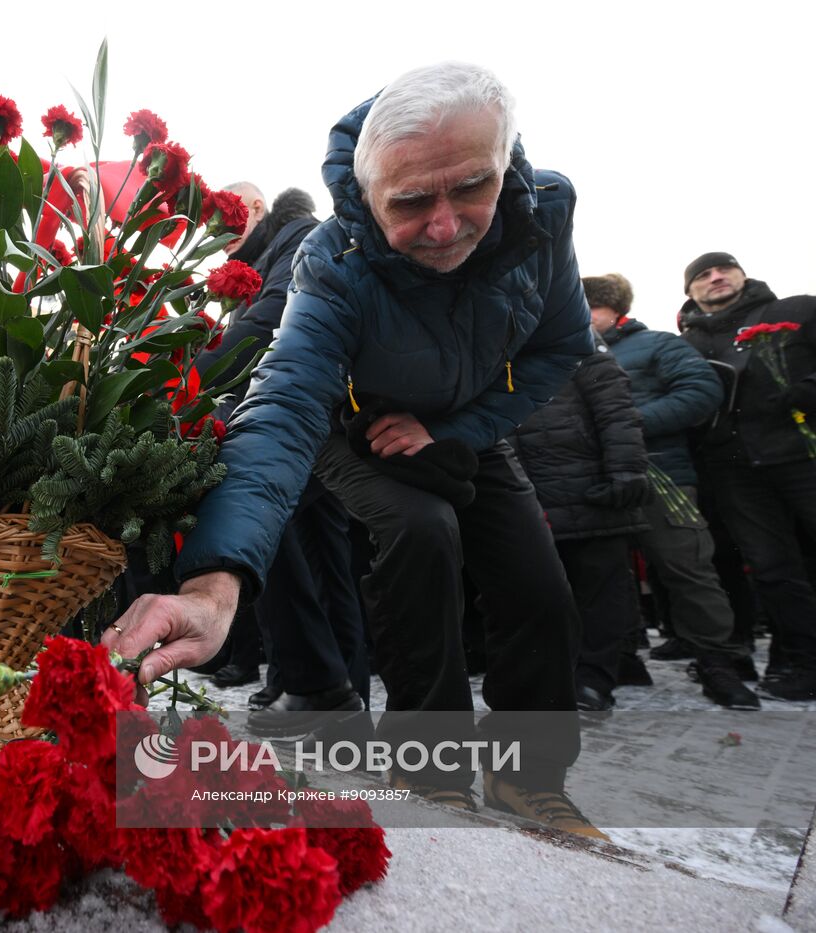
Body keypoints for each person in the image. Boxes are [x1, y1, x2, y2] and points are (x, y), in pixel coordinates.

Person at [106, 62, 603, 836]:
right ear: (366, 196)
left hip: (470, 428)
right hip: (356, 428)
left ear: (506, 164)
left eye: (472, 186)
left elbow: (561, 346)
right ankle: (427, 764)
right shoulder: (332, 262)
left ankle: (528, 778)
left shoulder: (544, 215)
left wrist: (455, 431)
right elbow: (284, 400)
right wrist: (215, 580)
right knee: (419, 531)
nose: (445, 226)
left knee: (539, 588)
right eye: (410, 202)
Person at [195, 184, 370, 718]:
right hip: (314, 415)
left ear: (251, 210)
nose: (214, 233)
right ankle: (323, 685)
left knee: (262, 524)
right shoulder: (273, 248)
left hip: (309, 417)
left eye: (222, 217)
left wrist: (182, 374)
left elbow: (267, 324)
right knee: (316, 555)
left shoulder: (296, 239)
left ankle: (320, 682)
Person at [587, 274, 761, 708]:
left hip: (660, 472)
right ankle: (620, 660)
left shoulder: (658, 344)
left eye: (584, 306)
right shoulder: (567, 354)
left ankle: (717, 662)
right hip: (592, 480)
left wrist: (627, 425)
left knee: (686, 565)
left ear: (610, 309)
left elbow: (702, 390)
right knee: (603, 575)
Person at [678, 253, 816, 700]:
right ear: (690, 292)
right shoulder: (685, 343)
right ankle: (799, 658)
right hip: (733, 469)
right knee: (773, 566)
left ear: (742, 274)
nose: (715, 277)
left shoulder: (794, 311)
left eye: (724, 269)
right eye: (702, 275)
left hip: (801, 455)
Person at [508, 341, 651, 711]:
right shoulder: (479, 352)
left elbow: (616, 412)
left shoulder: (576, 346)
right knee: (536, 595)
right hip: (524, 495)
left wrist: (626, 470)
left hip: (588, 489)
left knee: (599, 590)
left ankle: (594, 679)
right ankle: (554, 675)